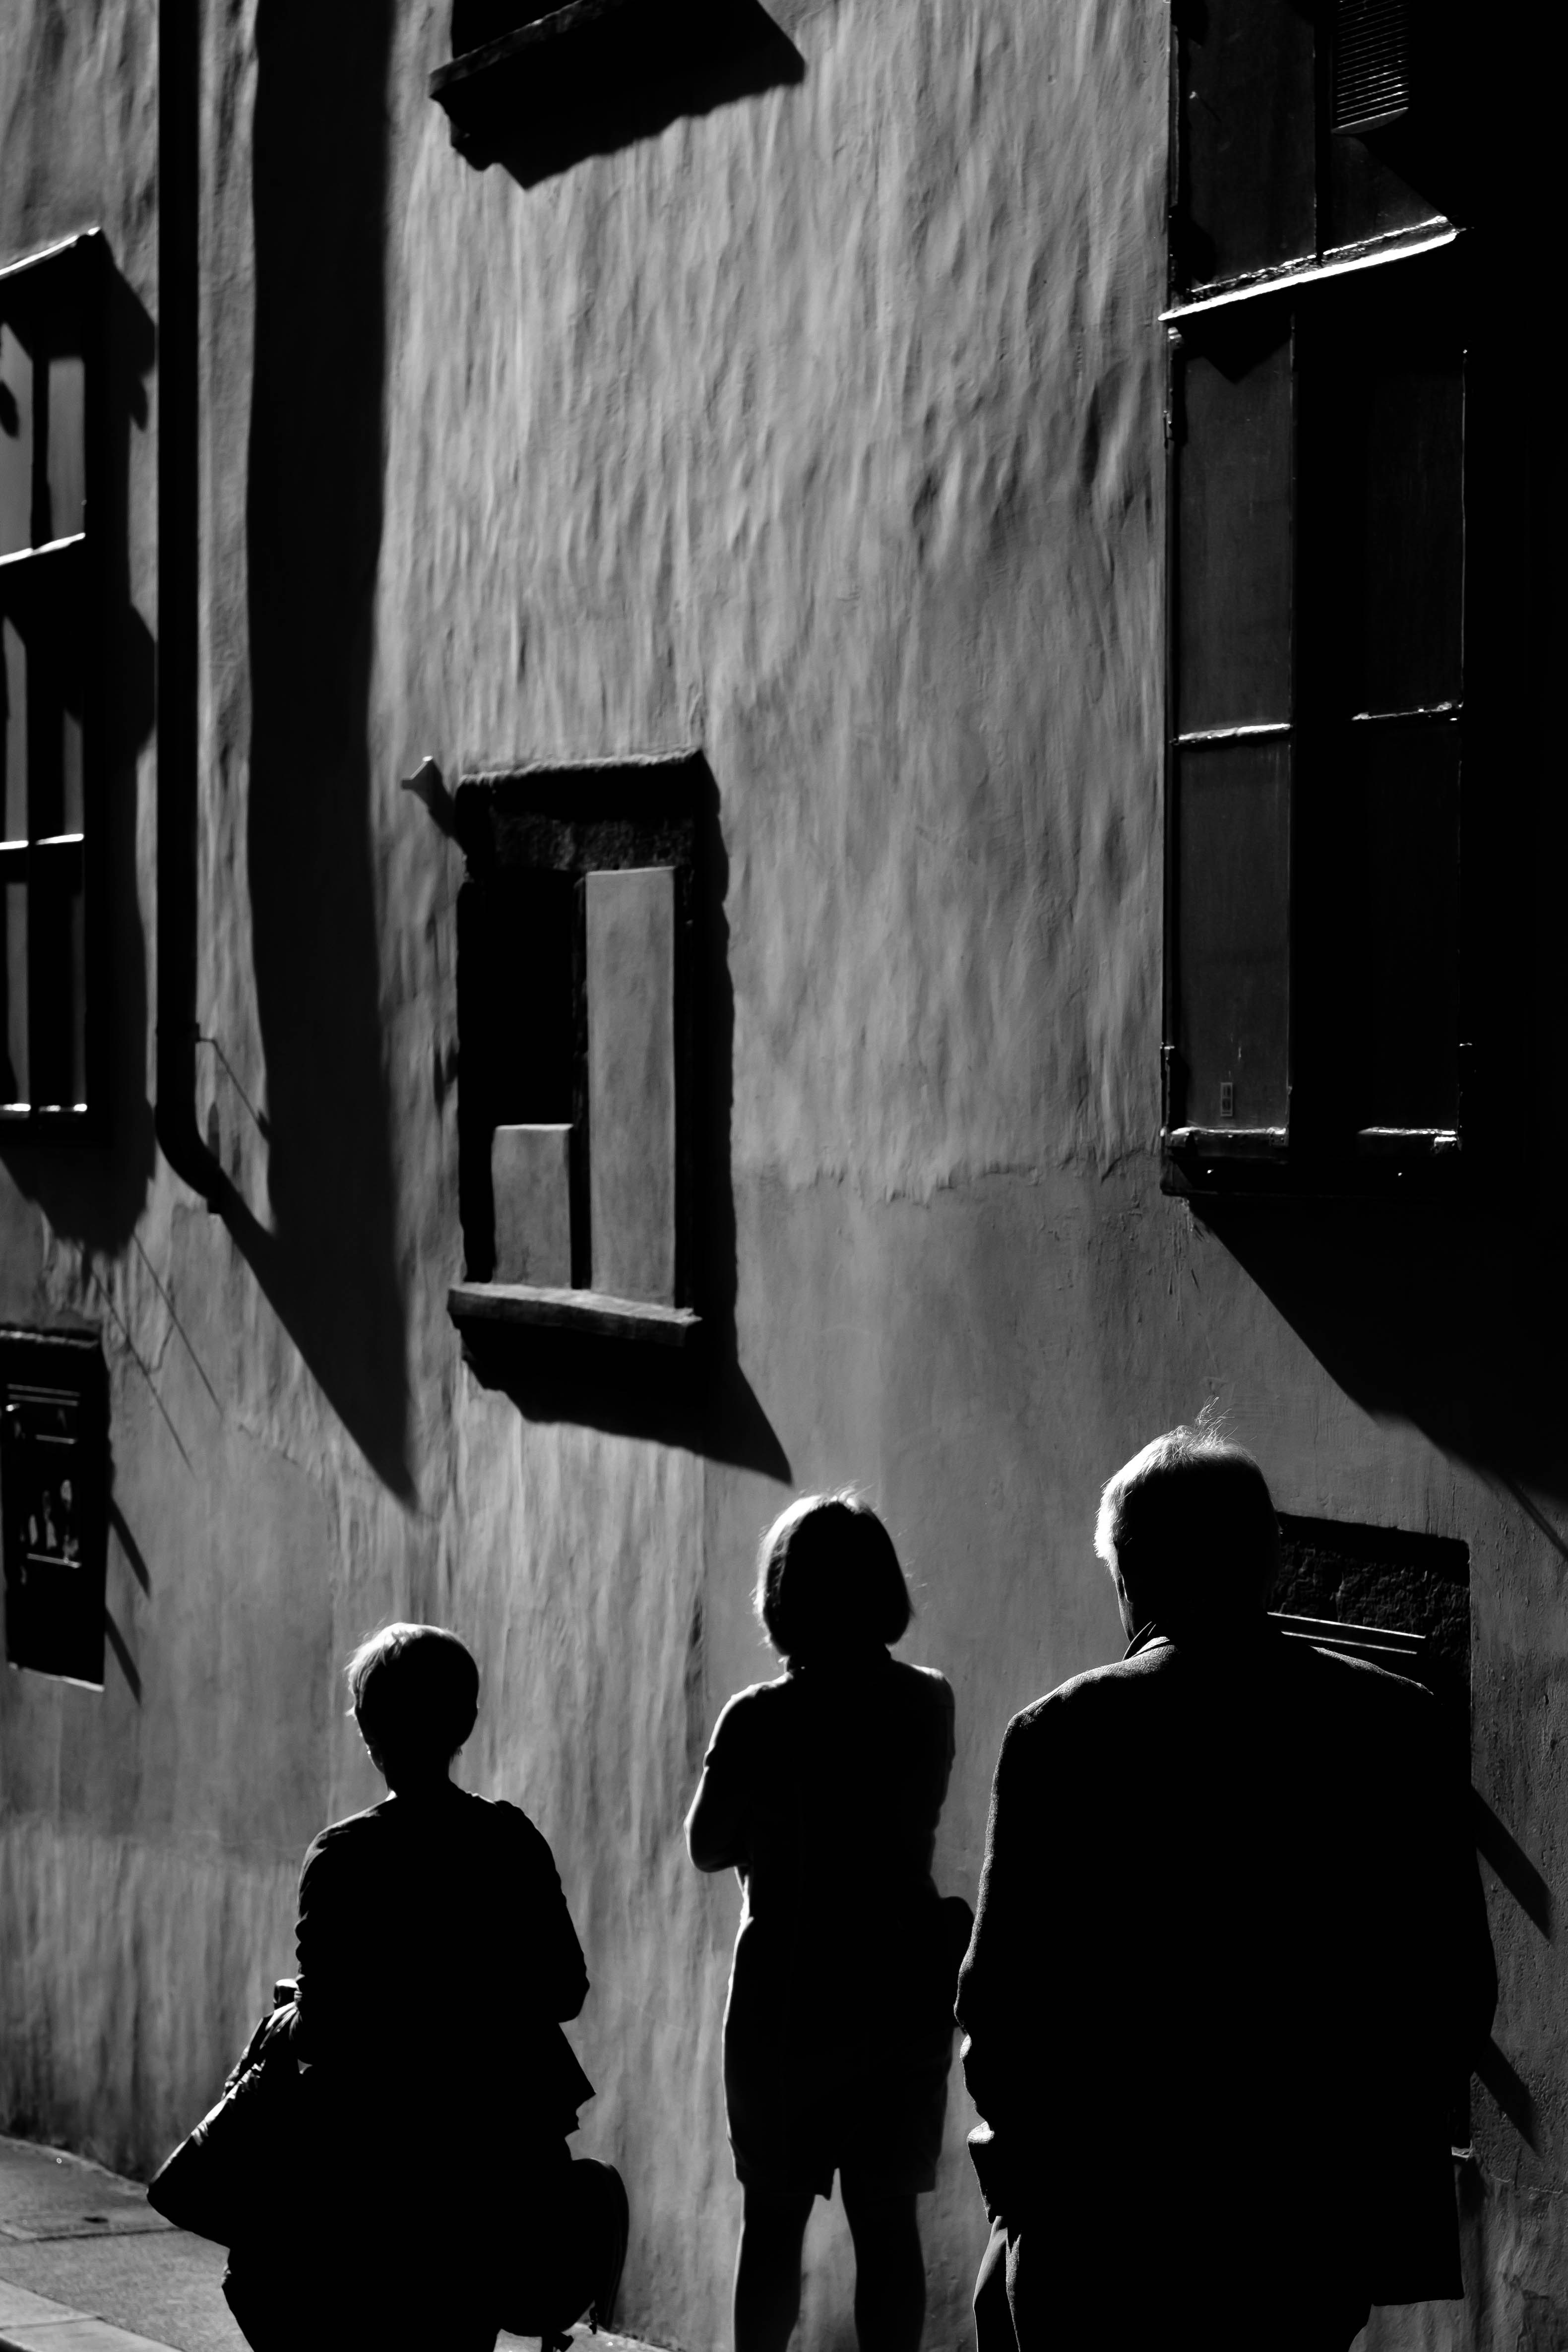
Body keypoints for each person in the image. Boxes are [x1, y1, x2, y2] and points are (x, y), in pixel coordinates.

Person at [955, 1424, 1498, 2352]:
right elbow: (1456, 1987)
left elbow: (998, 2007)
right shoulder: (1397, 1724)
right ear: (1269, 1563)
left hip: (1112, 2227)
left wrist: (1026, 2195)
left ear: (1128, 1574)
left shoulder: (1064, 1733)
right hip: (1309, 2233)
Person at [221, 1621, 623, 2352]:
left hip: (374, 2158)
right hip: (494, 2146)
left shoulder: (343, 1855)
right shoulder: (509, 1841)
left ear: (368, 1731)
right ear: (466, 1721)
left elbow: (330, 2018)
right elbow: (565, 1988)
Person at [686, 1492, 970, 2352]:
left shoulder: (760, 1716)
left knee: (772, 2220)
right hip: (897, 1983)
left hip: (789, 1995)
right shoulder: (927, 1702)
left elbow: (706, 1845)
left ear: (784, 1593)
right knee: (888, 2223)